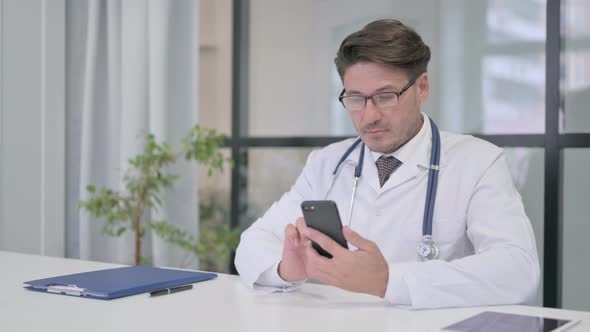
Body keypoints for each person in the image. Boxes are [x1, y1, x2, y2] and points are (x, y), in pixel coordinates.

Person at [234, 19, 539, 309]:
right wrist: (286, 269)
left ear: (421, 87)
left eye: (385, 96)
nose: (369, 116)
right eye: (355, 98)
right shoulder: (328, 163)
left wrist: (389, 281)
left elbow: (517, 269)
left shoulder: (477, 161)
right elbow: (253, 243)